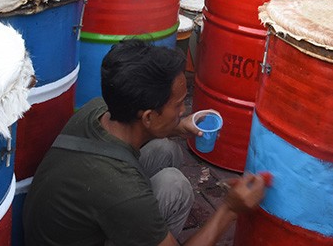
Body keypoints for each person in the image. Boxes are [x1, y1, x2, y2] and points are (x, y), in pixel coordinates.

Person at [23, 39, 267, 246]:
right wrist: (229, 209)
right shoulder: (122, 191)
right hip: (94, 209)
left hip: (61, 220)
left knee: (165, 150)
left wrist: (181, 127)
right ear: (149, 116)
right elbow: (121, 192)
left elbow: (144, 131)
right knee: (175, 186)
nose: (184, 110)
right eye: (179, 104)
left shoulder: (97, 109)